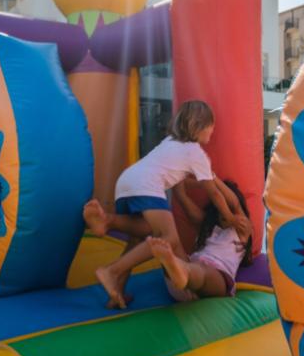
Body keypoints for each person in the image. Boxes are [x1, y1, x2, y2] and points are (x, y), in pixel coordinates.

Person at [84, 100, 244, 308]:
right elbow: (213, 192)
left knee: (138, 237)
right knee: (169, 237)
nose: (213, 131)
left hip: (126, 182)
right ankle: (111, 270)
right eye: (212, 126)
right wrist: (230, 217)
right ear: (200, 125)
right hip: (147, 186)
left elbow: (183, 180)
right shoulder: (196, 153)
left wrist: (200, 181)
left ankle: (117, 288)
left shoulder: (170, 142)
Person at [151, 176, 253, 301]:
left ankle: (181, 272)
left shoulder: (241, 228)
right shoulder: (208, 226)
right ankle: (176, 269)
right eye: (219, 207)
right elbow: (182, 197)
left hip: (217, 277)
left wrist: (210, 176)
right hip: (189, 271)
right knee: (172, 240)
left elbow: (235, 203)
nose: (224, 211)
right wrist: (177, 172)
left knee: (202, 272)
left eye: (227, 207)